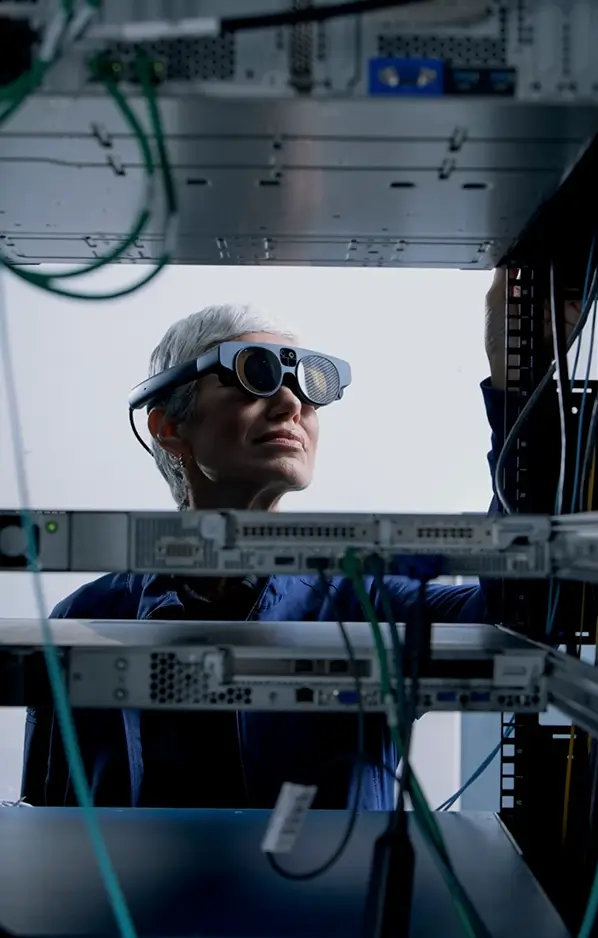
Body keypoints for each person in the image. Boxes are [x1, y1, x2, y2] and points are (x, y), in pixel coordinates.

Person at [21, 271, 512, 809]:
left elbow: (520, 612)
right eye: (254, 374)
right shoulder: (83, 623)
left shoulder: (365, 605)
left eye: (309, 386)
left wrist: (514, 381)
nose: (290, 404)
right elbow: (49, 838)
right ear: (168, 427)